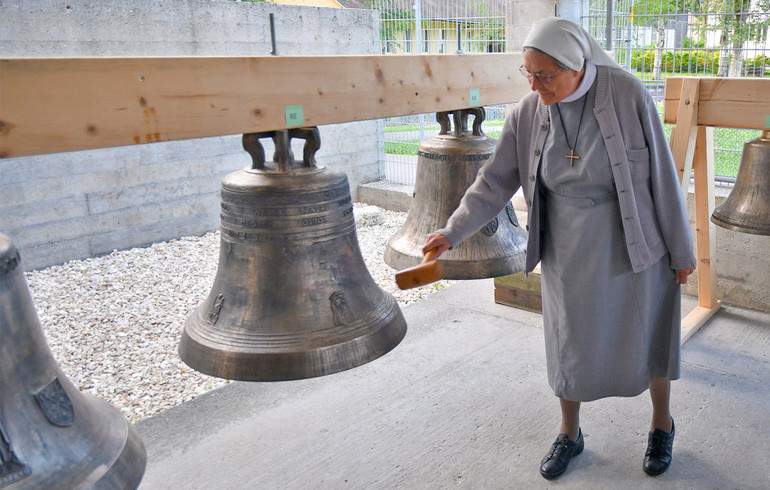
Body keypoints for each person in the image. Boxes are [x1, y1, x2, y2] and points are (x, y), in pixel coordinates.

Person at [422, 17, 696, 480]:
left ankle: (660, 425)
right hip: (567, 244)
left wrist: (681, 250)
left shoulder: (628, 94)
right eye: (527, 73)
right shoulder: (529, 109)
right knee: (568, 343)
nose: (534, 84)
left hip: (632, 238)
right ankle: (570, 432)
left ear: (576, 66)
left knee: (649, 332)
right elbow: (494, 180)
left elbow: (663, 177)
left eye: (545, 75)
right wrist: (453, 231)